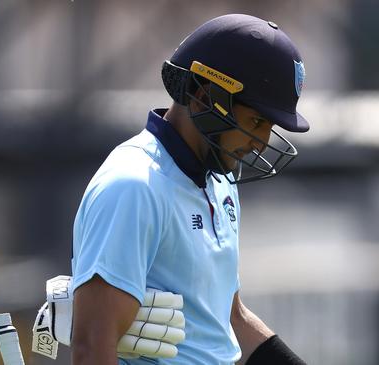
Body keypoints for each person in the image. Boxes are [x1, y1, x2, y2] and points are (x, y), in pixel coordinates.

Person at [70, 14, 309, 365]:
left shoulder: (219, 181)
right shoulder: (134, 186)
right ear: (202, 97)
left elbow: (229, 318)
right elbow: (92, 345)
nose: (261, 142)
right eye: (256, 121)